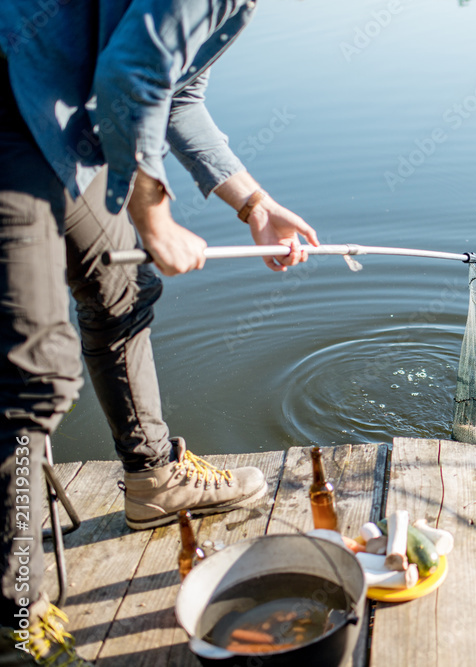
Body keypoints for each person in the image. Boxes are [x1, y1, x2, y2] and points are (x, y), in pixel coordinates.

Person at [0, 1, 320, 664]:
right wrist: (153, 217)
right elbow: (129, 77)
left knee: (120, 289)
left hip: (52, 113)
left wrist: (253, 205)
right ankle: (14, 610)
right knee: (31, 375)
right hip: (9, 103)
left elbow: (173, 91)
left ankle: (152, 477)